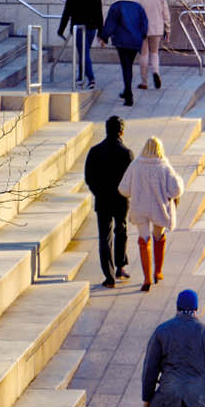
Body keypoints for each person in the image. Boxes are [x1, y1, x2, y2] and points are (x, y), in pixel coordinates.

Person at [119, 134, 183, 290]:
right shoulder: (164, 166)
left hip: (140, 207)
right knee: (158, 236)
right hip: (159, 208)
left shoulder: (135, 165)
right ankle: (158, 272)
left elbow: (124, 189)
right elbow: (176, 190)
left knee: (143, 239)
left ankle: (146, 279)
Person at [84, 116, 132, 287]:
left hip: (103, 200)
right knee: (121, 231)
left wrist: (98, 192)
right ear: (121, 131)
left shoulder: (95, 151)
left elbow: (89, 177)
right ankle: (120, 267)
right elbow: (130, 179)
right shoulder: (126, 153)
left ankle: (109, 276)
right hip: (121, 200)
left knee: (105, 238)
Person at [99, 0, 149, 105]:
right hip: (135, 41)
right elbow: (144, 24)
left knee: (126, 66)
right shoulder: (138, 7)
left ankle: (129, 94)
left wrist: (104, 37)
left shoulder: (116, 6)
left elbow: (110, 23)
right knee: (129, 65)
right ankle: (127, 91)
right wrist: (141, 36)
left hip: (122, 41)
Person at [58, 0, 103, 89]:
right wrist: (101, 31)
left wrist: (61, 29)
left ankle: (91, 78)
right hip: (91, 28)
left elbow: (67, 12)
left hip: (79, 28)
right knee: (85, 51)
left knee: (84, 53)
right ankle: (81, 74)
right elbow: (99, 14)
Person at [132, 0, 171, 91]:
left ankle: (144, 82)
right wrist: (167, 30)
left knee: (144, 54)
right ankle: (156, 71)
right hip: (157, 28)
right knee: (154, 53)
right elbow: (166, 15)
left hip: (142, 29)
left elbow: (133, 15)